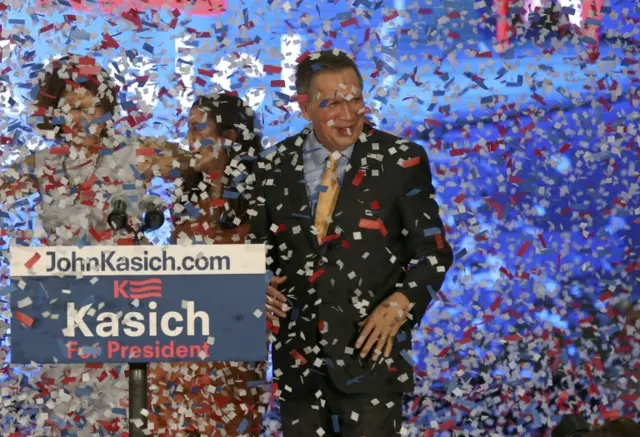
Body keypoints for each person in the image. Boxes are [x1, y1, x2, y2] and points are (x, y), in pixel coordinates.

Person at [246, 50, 454, 436]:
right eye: (334, 102)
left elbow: (434, 252)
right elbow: (257, 250)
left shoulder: (401, 160)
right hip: (300, 367)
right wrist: (257, 280)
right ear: (305, 106)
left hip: (372, 359)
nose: (349, 114)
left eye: (355, 99)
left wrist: (401, 303)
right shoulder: (272, 166)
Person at [0, 54, 182, 435]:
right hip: (62, 318)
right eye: (71, 107)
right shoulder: (41, 164)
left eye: (91, 106)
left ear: (107, 106)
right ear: (53, 110)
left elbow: (206, 166)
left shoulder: (136, 153)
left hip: (124, 314)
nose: (82, 118)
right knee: (65, 419)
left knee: (123, 415)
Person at [147, 93, 266, 437]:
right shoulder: (187, 194)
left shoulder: (263, 193)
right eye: (189, 130)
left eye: (198, 129)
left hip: (233, 343)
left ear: (229, 135)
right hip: (180, 335)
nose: (190, 140)